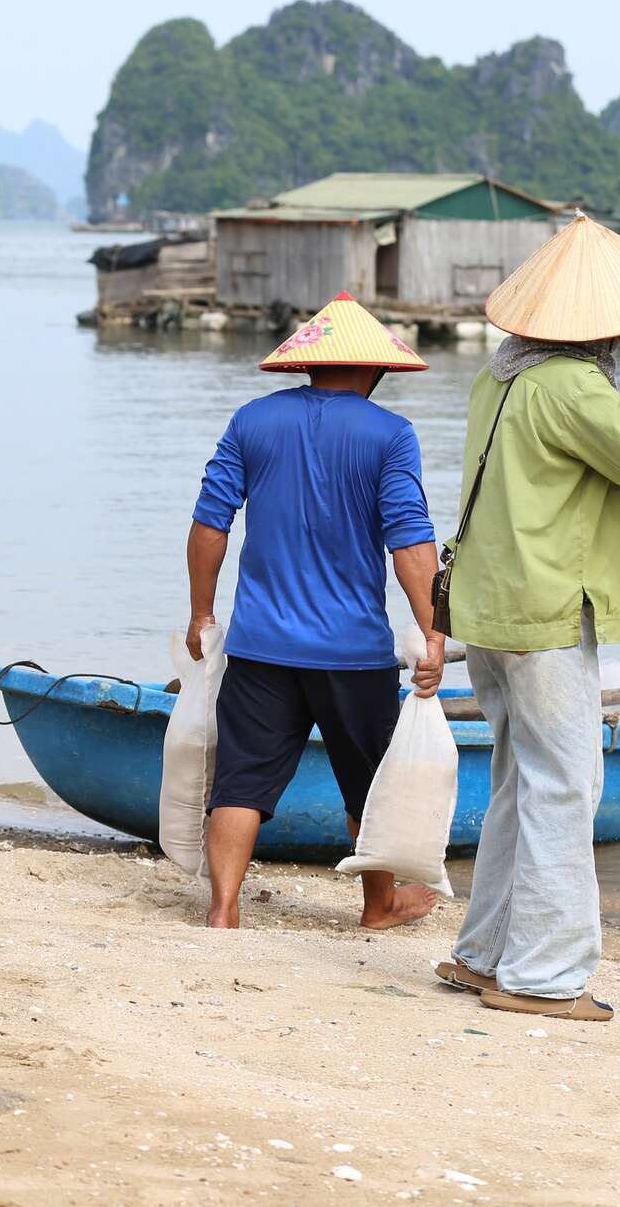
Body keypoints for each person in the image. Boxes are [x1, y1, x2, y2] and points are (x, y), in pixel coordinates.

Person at [432, 213, 620, 1023]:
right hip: (545, 613)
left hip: (492, 607)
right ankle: (544, 975)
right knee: (562, 789)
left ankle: (484, 954)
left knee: (520, 782)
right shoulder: (572, 386)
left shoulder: (502, 376)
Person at [187, 292, 446, 931]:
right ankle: (379, 907)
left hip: (259, 645)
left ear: (308, 365)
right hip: (351, 651)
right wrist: (432, 630)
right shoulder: (390, 434)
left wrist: (201, 613)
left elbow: (209, 523)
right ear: (376, 370)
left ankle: (223, 911)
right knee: (369, 783)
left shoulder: (252, 420)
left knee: (241, 780)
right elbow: (409, 541)